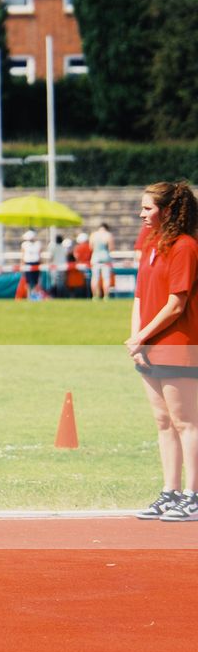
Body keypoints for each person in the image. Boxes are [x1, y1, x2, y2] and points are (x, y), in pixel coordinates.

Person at [128, 181, 198, 521]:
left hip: (178, 345)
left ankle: (193, 494)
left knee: (186, 422)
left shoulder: (184, 246)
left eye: (148, 208)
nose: (141, 213)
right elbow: (140, 296)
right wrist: (136, 340)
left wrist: (142, 335)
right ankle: (170, 492)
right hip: (149, 346)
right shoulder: (151, 243)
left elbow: (176, 304)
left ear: (168, 210)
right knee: (163, 422)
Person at [90, 222, 115, 300]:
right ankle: (106, 296)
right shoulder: (108, 235)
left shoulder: (93, 235)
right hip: (105, 258)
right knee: (106, 278)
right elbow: (111, 248)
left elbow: (91, 247)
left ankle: (94, 296)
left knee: (95, 278)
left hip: (95, 258)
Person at [18, 230, 44, 299]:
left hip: (32, 264)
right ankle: (31, 296)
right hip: (32, 264)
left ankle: (32, 296)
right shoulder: (27, 244)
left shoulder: (35, 244)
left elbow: (23, 256)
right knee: (30, 282)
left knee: (32, 282)